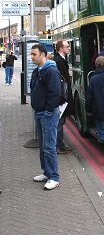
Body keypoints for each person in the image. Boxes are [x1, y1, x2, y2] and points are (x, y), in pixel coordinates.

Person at [30, 43, 61, 190]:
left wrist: (48, 111)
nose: (32, 57)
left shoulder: (51, 71)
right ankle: (46, 173)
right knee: (43, 146)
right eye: (31, 54)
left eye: (34, 54)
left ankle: (54, 177)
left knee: (49, 146)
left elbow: (55, 93)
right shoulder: (38, 71)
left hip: (47, 114)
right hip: (39, 112)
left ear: (42, 54)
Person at [54, 40, 73, 154]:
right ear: (61, 49)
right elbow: (60, 82)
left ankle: (61, 145)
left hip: (63, 96)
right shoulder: (58, 61)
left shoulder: (61, 59)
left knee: (62, 121)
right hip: (61, 97)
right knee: (59, 122)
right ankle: (58, 146)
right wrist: (62, 98)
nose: (69, 48)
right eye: (67, 46)